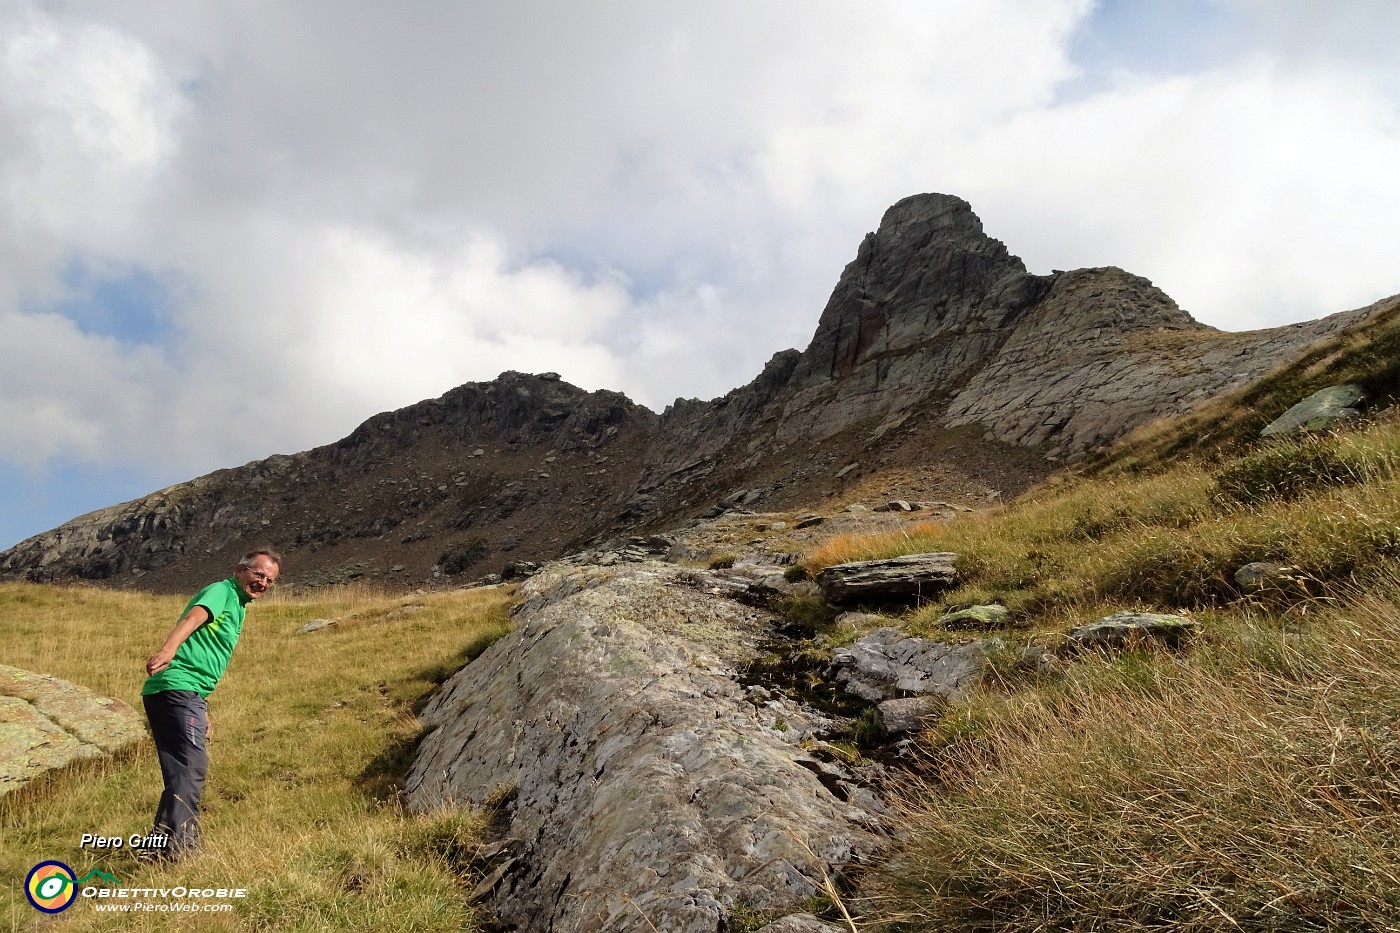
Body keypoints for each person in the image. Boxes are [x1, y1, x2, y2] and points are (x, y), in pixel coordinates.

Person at [139, 548, 281, 859]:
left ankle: (157, 848)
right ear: (239, 569)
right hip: (177, 687)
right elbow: (194, 617)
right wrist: (167, 651)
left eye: (269, 580)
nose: (263, 583)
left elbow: (204, 653)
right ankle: (181, 848)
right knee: (192, 766)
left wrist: (202, 706)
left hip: (182, 692)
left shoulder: (239, 605)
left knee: (181, 770)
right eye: (259, 575)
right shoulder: (222, 591)